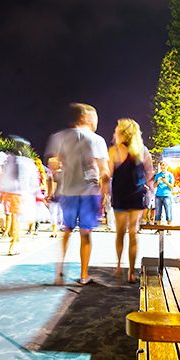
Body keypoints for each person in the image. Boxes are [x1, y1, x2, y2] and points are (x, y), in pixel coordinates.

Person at [46, 103, 110, 285]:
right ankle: (83, 275)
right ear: (86, 118)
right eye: (95, 118)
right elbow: (104, 171)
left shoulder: (59, 137)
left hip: (68, 191)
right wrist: (104, 194)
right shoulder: (96, 140)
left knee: (66, 230)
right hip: (89, 191)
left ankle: (59, 273)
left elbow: (53, 165)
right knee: (85, 233)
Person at [108, 119, 153, 283]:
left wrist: (104, 193)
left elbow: (108, 174)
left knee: (120, 232)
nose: (114, 132)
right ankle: (131, 272)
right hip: (136, 194)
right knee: (132, 233)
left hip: (121, 194)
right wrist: (151, 191)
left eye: (117, 130)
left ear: (123, 132)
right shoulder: (143, 151)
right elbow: (150, 173)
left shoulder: (114, 151)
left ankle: (120, 266)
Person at [0, 138, 40, 256]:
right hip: (21, 194)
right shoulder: (27, 162)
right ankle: (13, 245)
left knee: (14, 218)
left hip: (9, 193)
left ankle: (15, 241)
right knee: (17, 219)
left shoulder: (9, 160)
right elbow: (33, 182)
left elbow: (4, 178)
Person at [154, 162, 174, 229]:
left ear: (167, 166)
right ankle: (158, 228)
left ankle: (169, 229)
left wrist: (165, 181)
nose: (163, 167)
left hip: (167, 195)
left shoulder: (170, 175)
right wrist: (158, 181)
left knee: (168, 211)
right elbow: (154, 186)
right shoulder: (157, 175)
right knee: (157, 212)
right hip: (158, 195)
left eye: (164, 165)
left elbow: (172, 186)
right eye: (162, 165)